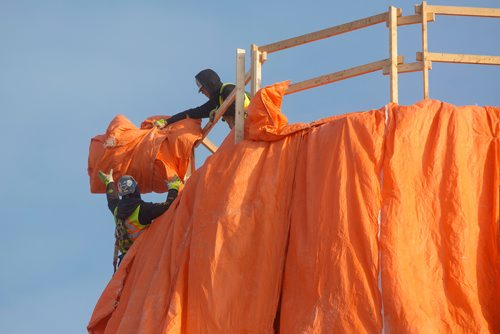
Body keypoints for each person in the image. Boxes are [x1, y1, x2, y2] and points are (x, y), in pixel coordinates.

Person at [98, 169, 182, 272]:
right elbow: (168, 206)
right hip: (142, 260)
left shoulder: (117, 211)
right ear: (135, 189)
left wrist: (109, 182)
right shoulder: (142, 210)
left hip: (125, 263)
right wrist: (173, 187)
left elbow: (112, 198)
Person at [154, 69, 251, 130]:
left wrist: (218, 112)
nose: (202, 93)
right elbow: (194, 112)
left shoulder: (228, 89)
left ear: (208, 85)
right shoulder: (217, 101)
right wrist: (167, 122)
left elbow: (236, 106)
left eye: (202, 90)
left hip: (254, 121)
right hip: (246, 130)